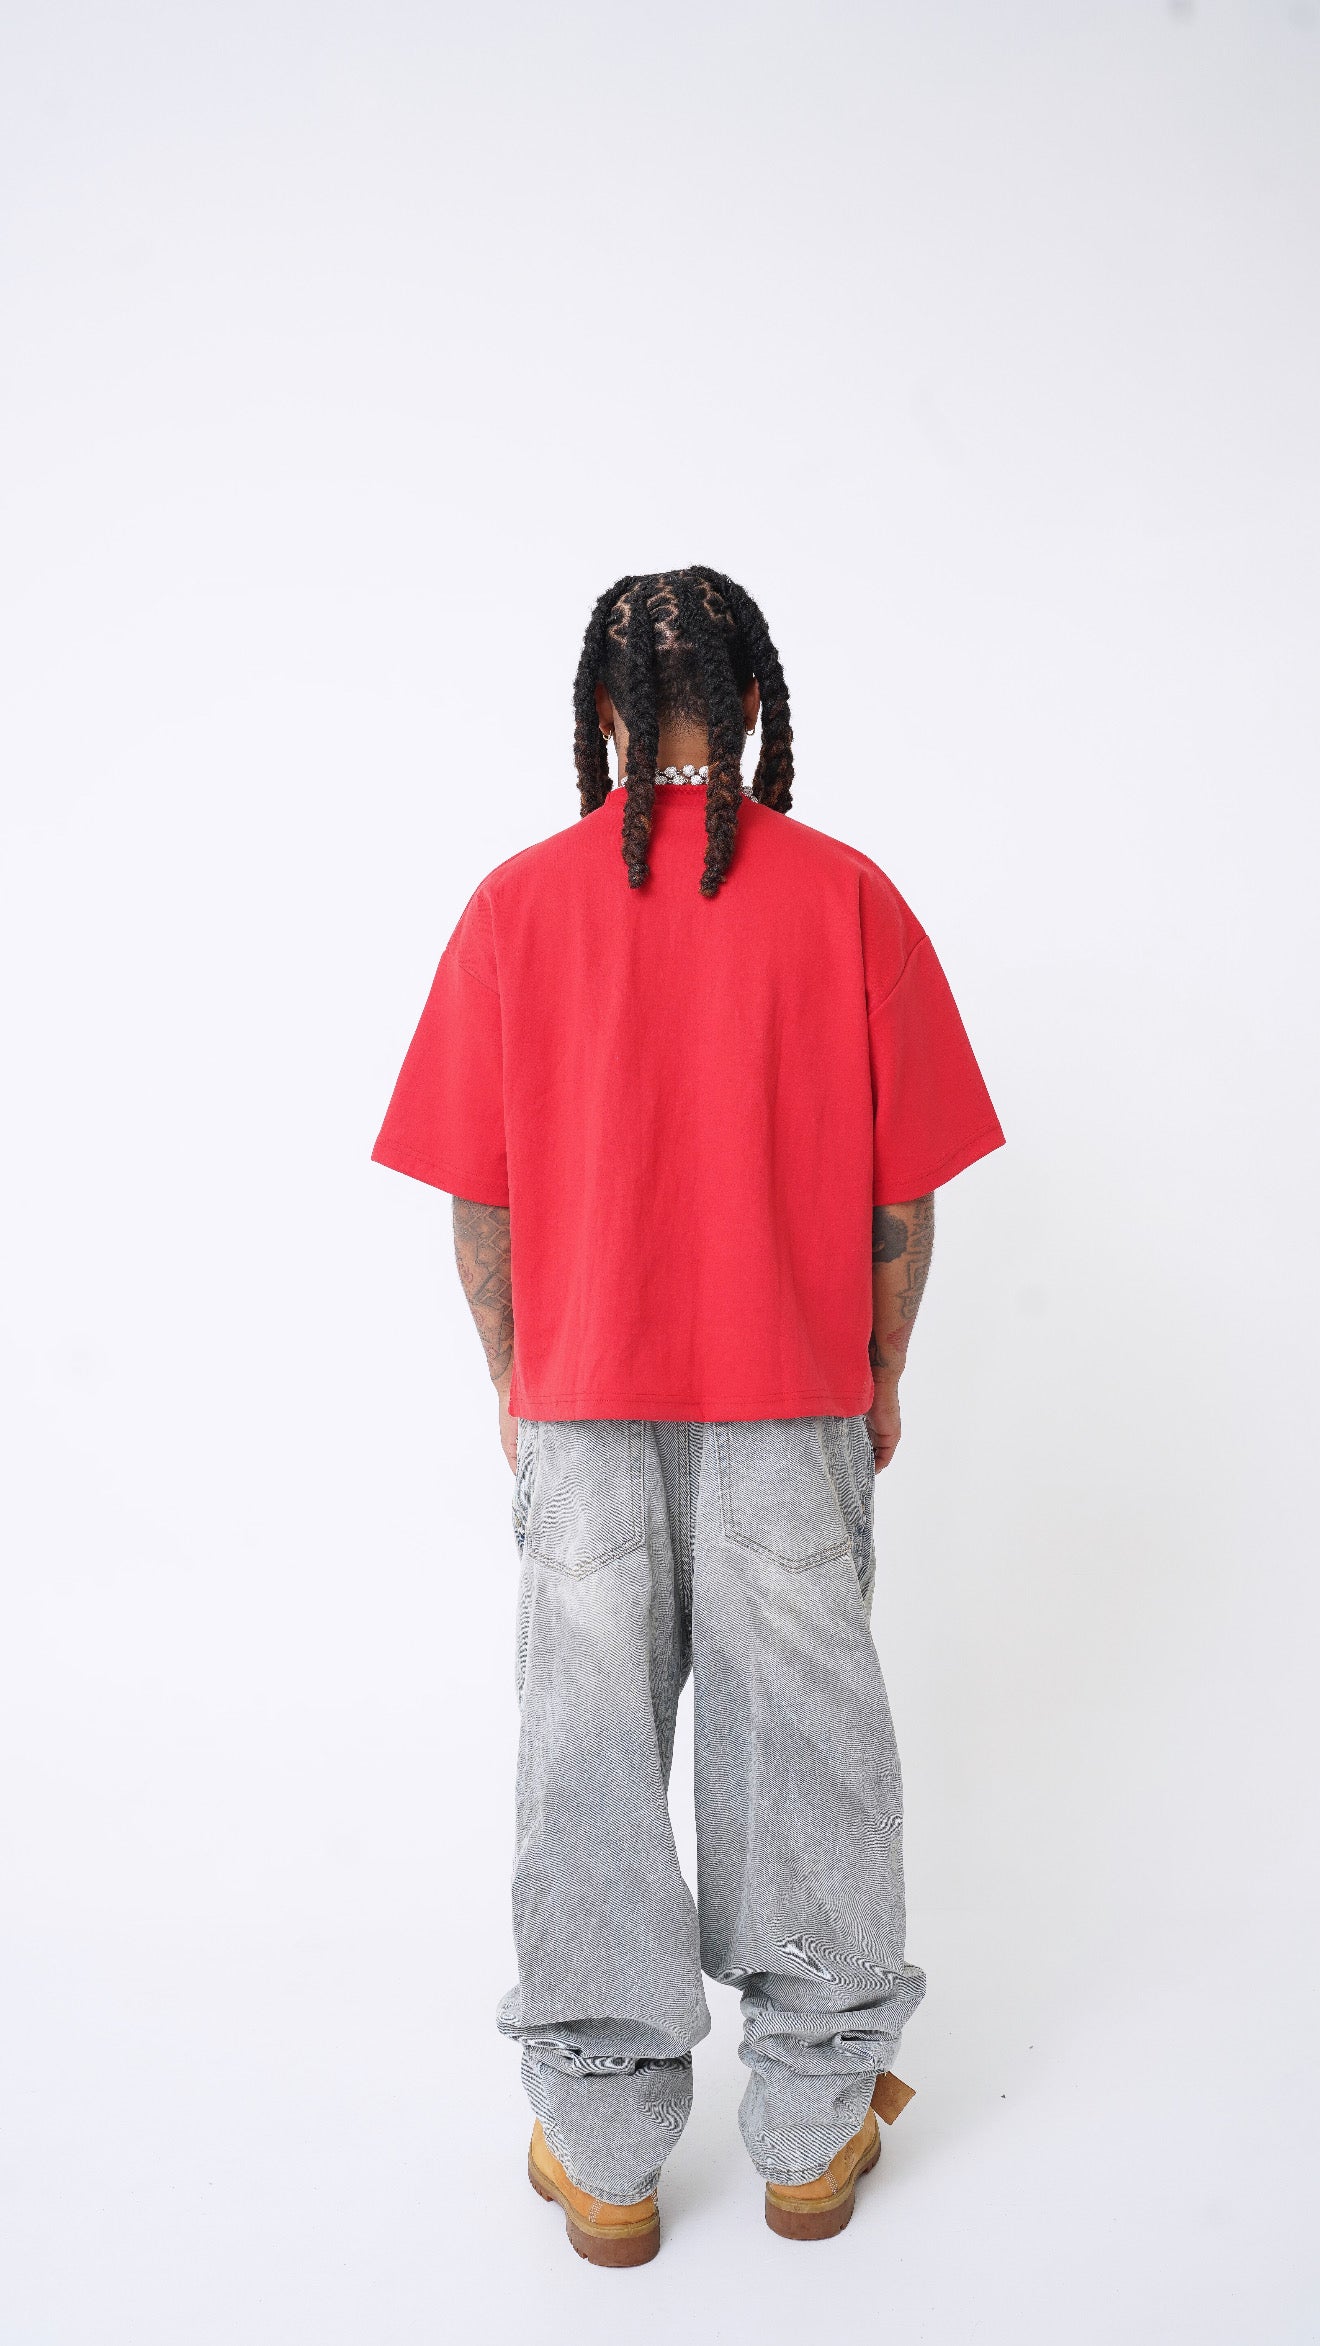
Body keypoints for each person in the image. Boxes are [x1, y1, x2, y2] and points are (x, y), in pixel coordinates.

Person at [371, 568, 1004, 2266]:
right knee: (810, 1748)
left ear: (601, 712)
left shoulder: (515, 907)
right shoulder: (849, 898)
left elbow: (481, 1201)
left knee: (580, 1753)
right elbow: (903, 1198)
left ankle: (604, 2146)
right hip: (791, 1398)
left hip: (581, 1406)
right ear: (751, 708)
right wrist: (880, 1369)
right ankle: (811, 2125)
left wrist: (515, 1375)